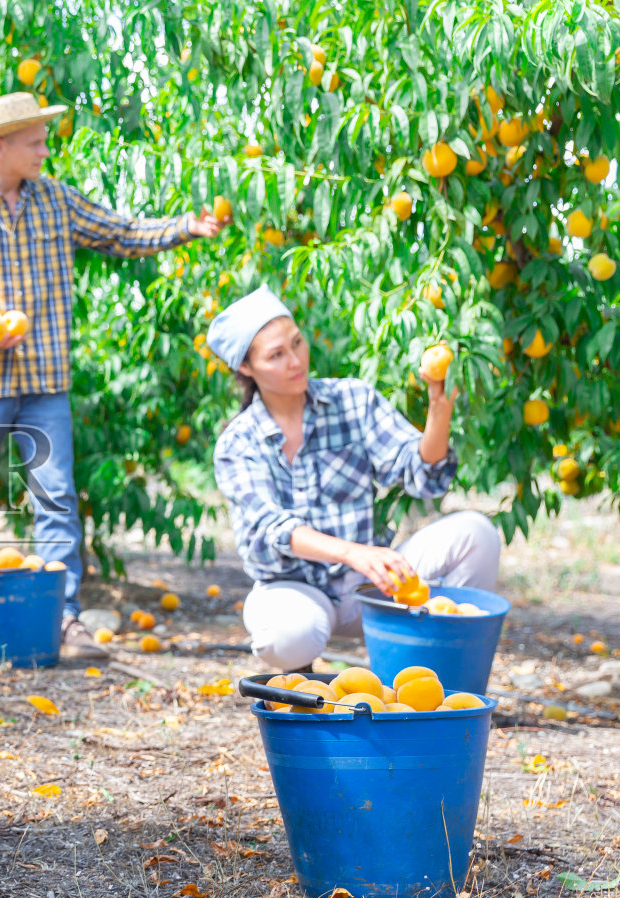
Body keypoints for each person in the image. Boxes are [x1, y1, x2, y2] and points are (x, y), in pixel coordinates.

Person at [0, 91, 226, 658]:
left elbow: (121, 233)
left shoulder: (56, 201)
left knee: (54, 498)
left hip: (45, 379)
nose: (44, 150)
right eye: (35, 141)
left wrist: (184, 228)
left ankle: (64, 616)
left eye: (44, 140)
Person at [210, 286, 501, 672]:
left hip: (373, 587)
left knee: (475, 534)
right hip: (296, 591)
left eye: (297, 343)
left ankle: (440, 675)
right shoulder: (238, 442)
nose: (296, 360)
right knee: (287, 636)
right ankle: (300, 678)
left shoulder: (352, 400)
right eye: (276, 355)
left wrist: (438, 408)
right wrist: (354, 553)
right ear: (246, 368)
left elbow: (419, 473)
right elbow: (271, 527)